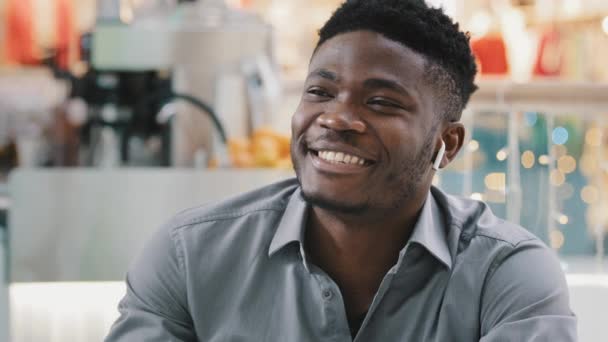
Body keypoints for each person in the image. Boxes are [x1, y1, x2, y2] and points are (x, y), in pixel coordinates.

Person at [106, 0, 577, 341]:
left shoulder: (508, 274)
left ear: (446, 143)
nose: (336, 118)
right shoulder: (192, 255)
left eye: (381, 102)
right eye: (320, 92)